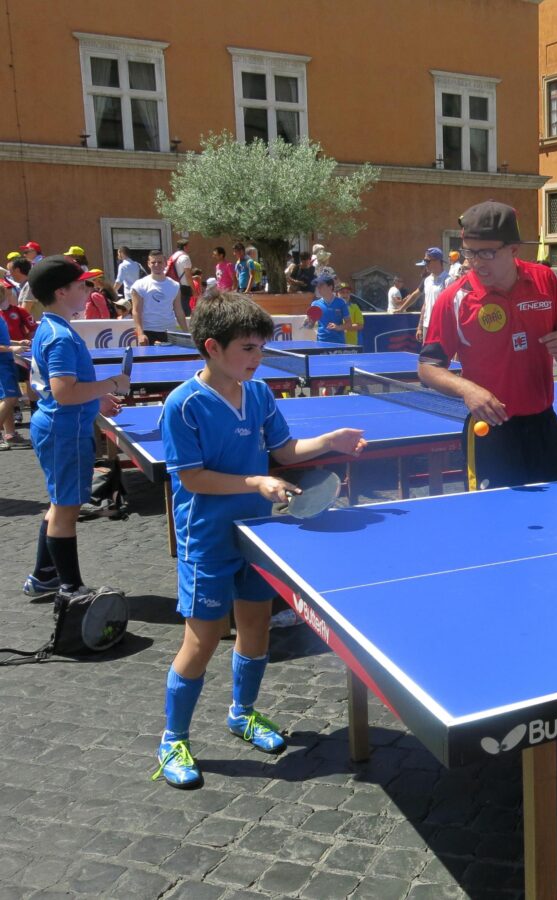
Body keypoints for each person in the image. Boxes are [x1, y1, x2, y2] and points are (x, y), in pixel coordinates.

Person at [151, 292, 365, 788]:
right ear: (212, 347)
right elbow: (194, 479)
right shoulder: (183, 405)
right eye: (248, 348)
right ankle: (172, 739)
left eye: (260, 348)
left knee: (256, 628)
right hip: (207, 538)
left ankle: (242, 713)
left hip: (258, 534)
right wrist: (255, 482)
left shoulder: (262, 394)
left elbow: (285, 450)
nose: (258, 358)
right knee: (202, 640)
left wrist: (329, 440)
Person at [418, 200, 557, 491]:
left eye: (487, 253)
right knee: (495, 524)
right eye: (470, 252)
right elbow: (427, 368)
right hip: (489, 430)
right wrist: (468, 389)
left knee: (556, 519)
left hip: (544, 425)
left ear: (513, 250)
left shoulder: (545, 280)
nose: (475, 262)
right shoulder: (454, 299)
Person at [22, 255, 130, 602]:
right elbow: (64, 392)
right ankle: (70, 587)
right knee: (67, 510)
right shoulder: (61, 337)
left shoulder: (52, 328)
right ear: (61, 291)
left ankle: (44, 576)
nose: (88, 288)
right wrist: (112, 383)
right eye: (82, 283)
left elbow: (63, 391)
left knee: (59, 505)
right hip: (63, 431)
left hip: (59, 425)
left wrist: (94, 402)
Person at [132, 250, 189, 345]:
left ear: (165, 263)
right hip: (148, 331)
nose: (156, 265)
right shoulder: (139, 285)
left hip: (169, 332)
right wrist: (140, 333)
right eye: (153, 262)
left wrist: (186, 333)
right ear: (148, 264)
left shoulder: (174, 285)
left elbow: (179, 311)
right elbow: (136, 311)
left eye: (160, 262)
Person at [0, 306, 30, 449]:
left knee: (8, 399)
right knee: (9, 398)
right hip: (2, 364)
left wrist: (17, 343)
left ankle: (10, 435)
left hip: (6, 361)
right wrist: (11, 348)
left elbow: (3, 340)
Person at [415, 248, 450, 343]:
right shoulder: (427, 280)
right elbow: (425, 305)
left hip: (441, 328)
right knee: (426, 357)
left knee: (439, 357)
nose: (425, 264)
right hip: (427, 326)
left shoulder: (448, 280)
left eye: (427, 261)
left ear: (437, 261)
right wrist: (420, 327)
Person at [309, 273, 349, 343]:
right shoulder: (315, 304)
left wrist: (338, 327)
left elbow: (349, 324)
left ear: (330, 287)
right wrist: (308, 322)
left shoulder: (341, 303)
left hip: (338, 343)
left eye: (321, 285)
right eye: (318, 286)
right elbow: (310, 325)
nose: (318, 288)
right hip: (321, 342)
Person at [166, 240, 193, 310]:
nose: (189, 248)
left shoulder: (173, 256)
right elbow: (188, 275)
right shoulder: (185, 257)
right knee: (186, 309)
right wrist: (194, 289)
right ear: (185, 247)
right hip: (184, 287)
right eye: (188, 246)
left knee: (176, 308)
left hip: (173, 285)